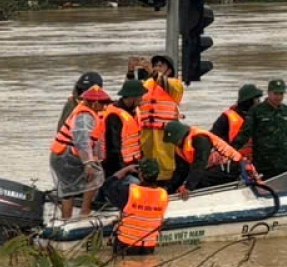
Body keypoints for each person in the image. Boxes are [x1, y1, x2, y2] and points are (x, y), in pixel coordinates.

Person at [50, 85, 110, 219]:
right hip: (66, 156)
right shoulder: (84, 117)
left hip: (63, 155)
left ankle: (66, 218)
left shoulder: (86, 112)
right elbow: (82, 140)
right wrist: (88, 163)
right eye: (103, 103)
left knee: (68, 190)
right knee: (95, 176)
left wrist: (97, 158)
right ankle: (84, 211)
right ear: (95, 103)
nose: (105, 107)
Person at [128, 54, 186, 185]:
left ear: (169, 70)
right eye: (155, 66)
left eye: (160, 66)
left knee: (165, 161)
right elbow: (130, 91)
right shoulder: (147, 83)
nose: (157, 68)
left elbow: (163, 83)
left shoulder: (175, 84)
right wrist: (131, 71)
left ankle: (166, 185)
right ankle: (148, 183)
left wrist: (152, 72)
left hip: (165, 131)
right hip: (146, 130)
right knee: (147, 160)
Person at [164, 121, 253, 198]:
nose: (173, 143)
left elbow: (200, 163)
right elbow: (180, 171)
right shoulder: (180, 148)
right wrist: (169, 190)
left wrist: (188, 187)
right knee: (190, 180)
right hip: (214, 168)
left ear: (180, 136)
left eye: (174, 140)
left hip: (233, 166)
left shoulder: (200, 139)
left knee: (199, 180)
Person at [98, 79, 147, 209]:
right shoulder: (114, 115)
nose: (142, 99)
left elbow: (136, 140)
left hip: (132, 162)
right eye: (140, 96)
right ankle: (106, 203)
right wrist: (124, 172)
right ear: (131, 97)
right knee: (134, 186)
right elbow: (114, 148)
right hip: (116, 166)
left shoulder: (134, 111)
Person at [115, 160, 169, 256]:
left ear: (140, 175)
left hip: (126, 245)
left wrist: (126, 169)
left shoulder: (129, 192)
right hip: (148, 246)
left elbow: (108, 184)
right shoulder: (163, 195)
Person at [211, 84, 262, 162]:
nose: (259, 102)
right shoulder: (226, 118)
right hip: (235, 162)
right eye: (257, 99)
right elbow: (211, 138)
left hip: (257, 159)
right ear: (249, 101)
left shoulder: (260, 115)